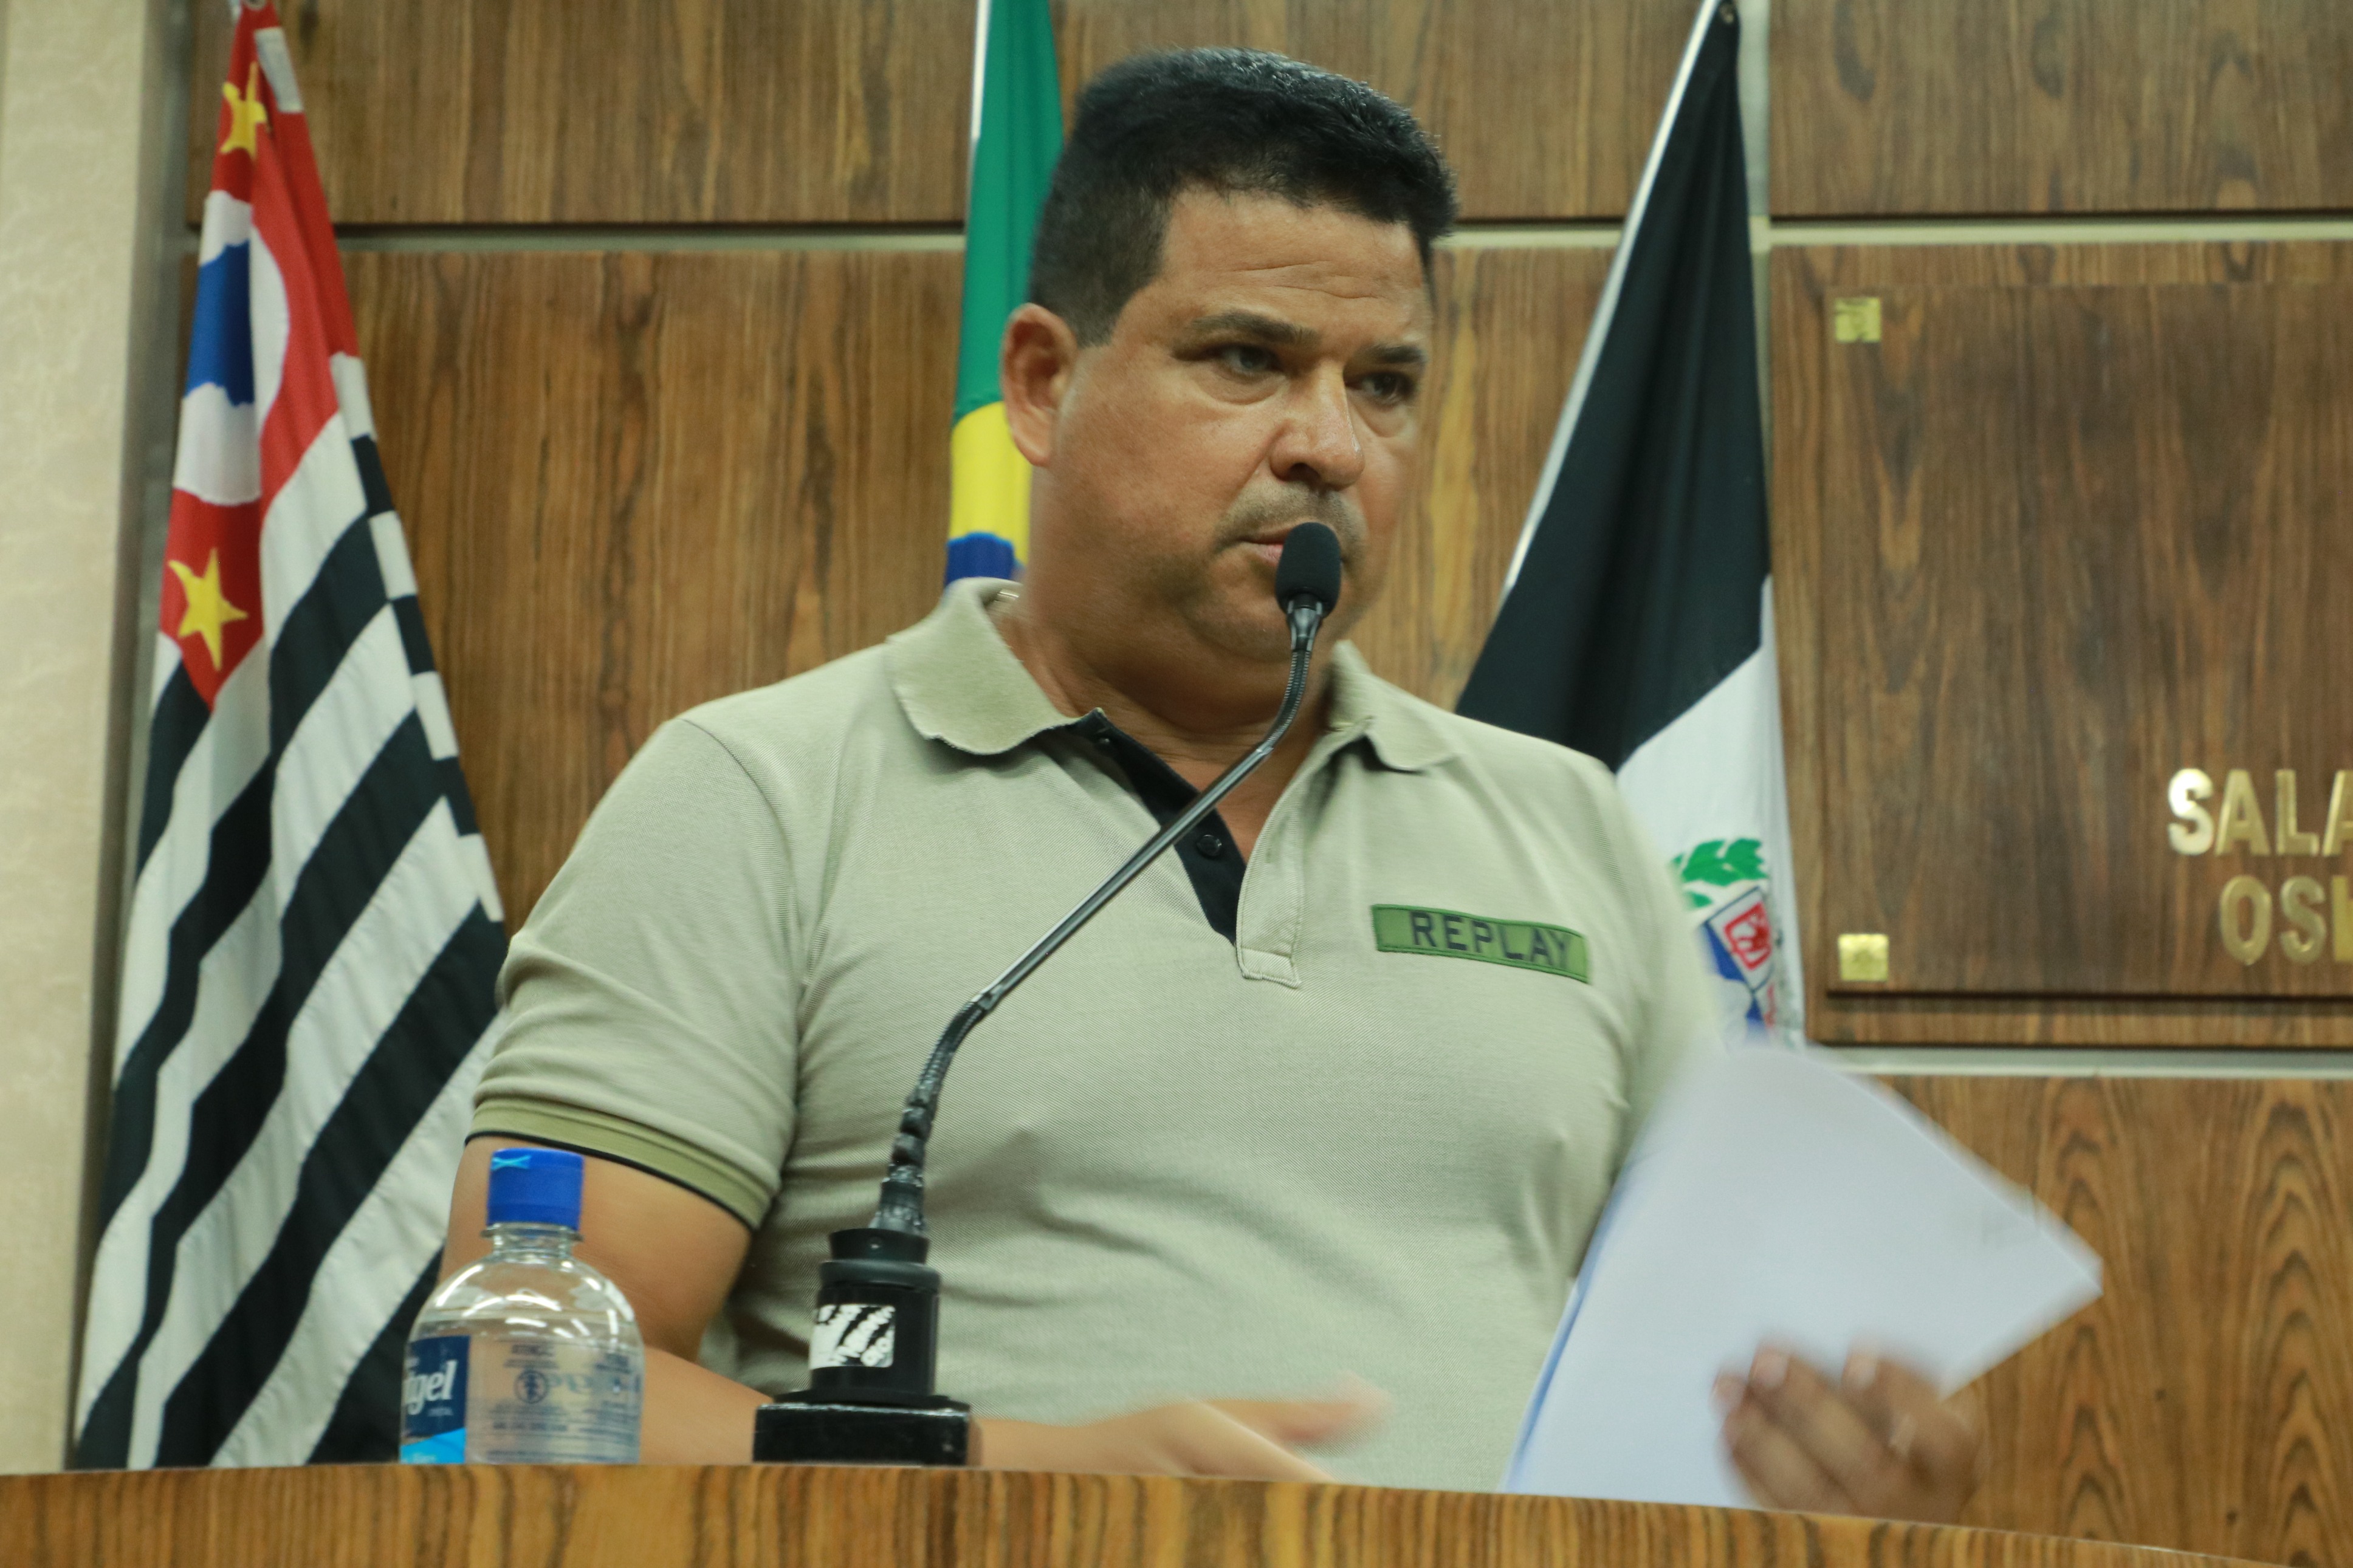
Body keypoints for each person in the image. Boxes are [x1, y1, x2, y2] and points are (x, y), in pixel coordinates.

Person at [439, 48, 1979, 1516]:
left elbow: (1729, 1366)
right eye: (1248, 359)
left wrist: (1852, 1471)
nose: (1328, 445)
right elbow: (514, 1386)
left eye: (1384, 384)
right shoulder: (760, 798)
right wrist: (1030, 1480)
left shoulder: (1567, 824)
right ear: (1041, 385)